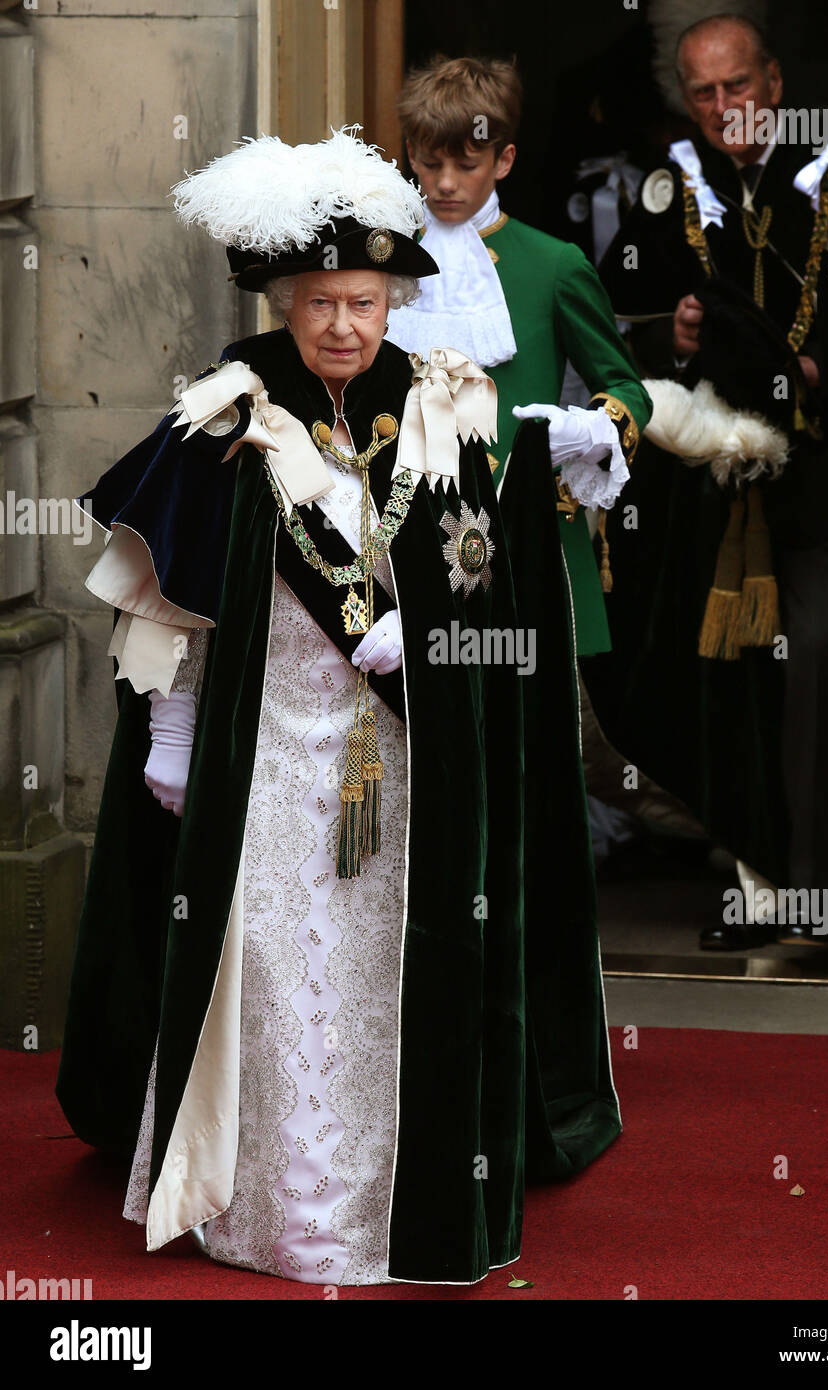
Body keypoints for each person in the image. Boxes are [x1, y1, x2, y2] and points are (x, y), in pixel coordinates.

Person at [55, 128, 620, 1286]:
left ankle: (383, 1206)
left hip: (404, 750)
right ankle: (259, 1202)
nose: (343, 327)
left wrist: (436, 626)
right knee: (268, 970)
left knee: (381, 980)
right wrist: (170, 729)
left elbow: (478, 565)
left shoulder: (442, 399)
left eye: (363, 302)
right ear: (285, 300)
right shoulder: (230, 411)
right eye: (318, 303)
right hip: (263, 743)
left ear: (393, 299)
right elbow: (170, 589)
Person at [589, 13, 828, 948]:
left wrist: (825, 366)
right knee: (723, 675)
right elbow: (628, 317)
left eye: (737, 88)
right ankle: (755, 879)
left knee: (817, 658)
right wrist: (678, 335)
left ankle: (813, 897)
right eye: (702, 93)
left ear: (775, 85)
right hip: (721, 477)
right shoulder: (671, 191)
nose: (723, 109)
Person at [386, 55, 653, 659]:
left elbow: (627, 387)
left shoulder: (554, 265)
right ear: (409, 154)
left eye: (467, 164)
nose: (446, 183)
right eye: (430, 163)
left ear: (504, 159)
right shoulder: (384, 260)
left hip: (524, 535)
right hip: (405, 532)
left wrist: (588, 427)